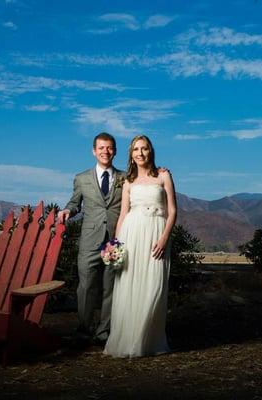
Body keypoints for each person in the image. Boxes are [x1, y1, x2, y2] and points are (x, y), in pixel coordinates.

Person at [104, 134, 177, 358]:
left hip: (156, 233)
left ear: (150, 151)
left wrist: (164, 238)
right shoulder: (128, 181)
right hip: (132, 233)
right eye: (136, 149)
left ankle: (148, 341)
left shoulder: (164, 175)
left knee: (153, 286)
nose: (140, 153)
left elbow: (172, 210)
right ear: (131, 155)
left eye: (144, 149)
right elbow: (124, 213)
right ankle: (128, 341)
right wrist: (114, 246)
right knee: (129, 285)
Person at [58, 132, 125, 344]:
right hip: (89, 240)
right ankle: (84, 330)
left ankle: (104, 332)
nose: (106, 151)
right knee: (86, 287)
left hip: (115, 240)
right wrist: (67, 211)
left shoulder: (126, 178)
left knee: (111, 287)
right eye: (101, 148)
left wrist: (159, 171)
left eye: (110, 147)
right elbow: (74, 203)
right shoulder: (81, 178)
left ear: (115, 150)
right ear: (94, 151)